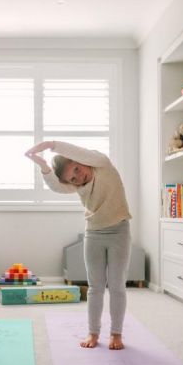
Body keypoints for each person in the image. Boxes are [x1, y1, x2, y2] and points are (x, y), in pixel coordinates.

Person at [25, 141, 132, 350]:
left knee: (117, 286)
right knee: (95, 287)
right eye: (72, 178)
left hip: (119, 232)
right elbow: (56, 186)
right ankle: (93, 332)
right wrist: (43, 165)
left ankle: (116, 333)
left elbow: (79, 152)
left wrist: (51, 145)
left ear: (79, 160)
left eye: (76, 169)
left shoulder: (102, 164)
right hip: (94, 234)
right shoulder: (78, 186)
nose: (78, 176)